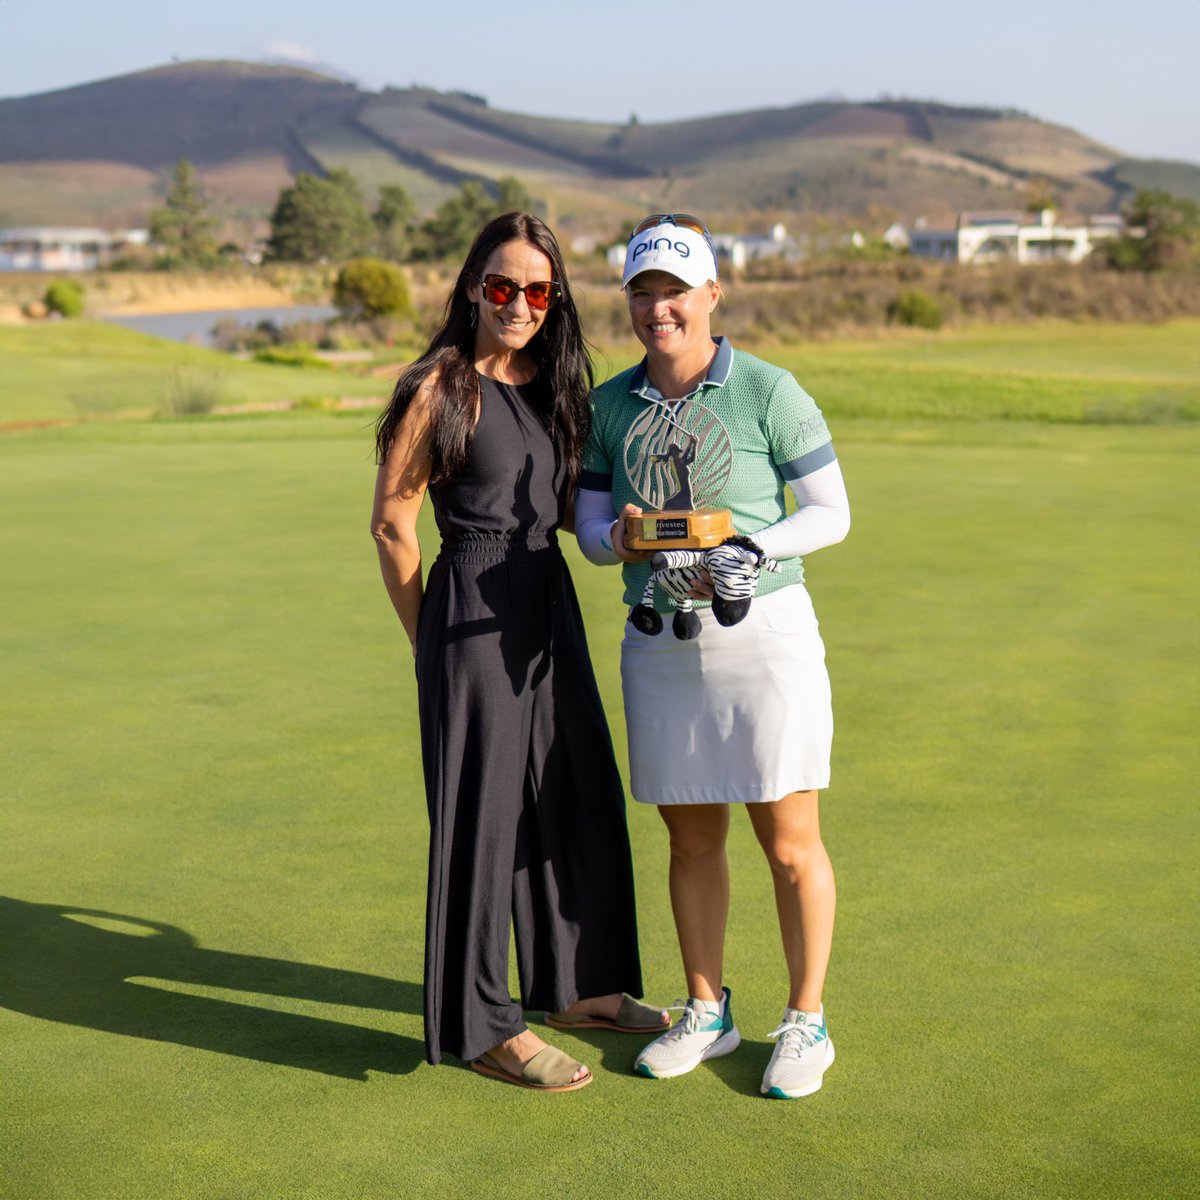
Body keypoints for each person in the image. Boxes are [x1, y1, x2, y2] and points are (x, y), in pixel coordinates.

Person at [371, 213, 666, 1092]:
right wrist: (433, 643)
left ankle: (578, 985)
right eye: (503, 286)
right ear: (472, 287)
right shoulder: (439, 387)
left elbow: (575, 510)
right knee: (483, 824)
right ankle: (482, 1025)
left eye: (539, 291)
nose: (520, 304)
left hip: (548, 603)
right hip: (469, 608)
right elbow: (393, 523)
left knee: (578, 790)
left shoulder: (553, 383)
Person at [575, 214, 851, 1099]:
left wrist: (756, 551)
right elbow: (584, 522)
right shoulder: (610, 404)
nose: (661, 309)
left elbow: (830, 511)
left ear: (711, 296)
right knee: (690, 840)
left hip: (762, 639)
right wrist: (612, 539)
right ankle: (708, 1010)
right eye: (644, 293)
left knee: (790, 843)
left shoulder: (769, 390)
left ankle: (805, 1021)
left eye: (676, 292)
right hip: (658, 645)